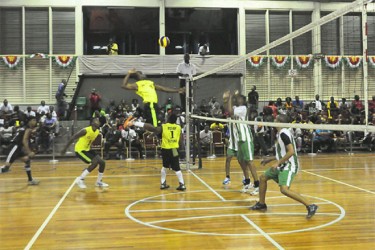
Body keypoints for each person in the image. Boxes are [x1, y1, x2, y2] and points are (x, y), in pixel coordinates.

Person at [250, 114, 318, 219]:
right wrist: (271, 159)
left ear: (279, 122)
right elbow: (282, 152)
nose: (273, 120)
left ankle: (310, 205)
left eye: (275, 119)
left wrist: (278, 162)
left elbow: (291, 151)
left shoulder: (283, 134)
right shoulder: (281, 133)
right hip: (282, 164)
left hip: (289, 166)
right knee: (263, 178)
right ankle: (261, 203)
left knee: (284, 190)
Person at [126, 113, 186, 191]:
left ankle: (163, 183)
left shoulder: (164, 126)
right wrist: (182, 150)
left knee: (165, 167)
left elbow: (153, 128)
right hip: (174, 149)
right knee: (177, 168)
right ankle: (182, 184)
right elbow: (181, 140)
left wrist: (136, 123)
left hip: (166, 149)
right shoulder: (178, 127)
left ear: (168, 119)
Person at [223, 90, 259, 194]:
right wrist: (226, 99)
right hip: (239, 139)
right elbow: (227, 110)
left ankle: (257, 184)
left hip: (246, 137)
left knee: (250, 162)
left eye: (239, 98)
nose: (237, 98)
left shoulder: (243, 108)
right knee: (241, 161)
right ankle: (247, 182)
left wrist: (230, 97)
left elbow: (230, 112)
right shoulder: (236, 108)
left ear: (243, 101)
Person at [61, 118, 108, 188]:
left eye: (98, 120)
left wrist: (102, 143)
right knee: (94, 163)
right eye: (96, 120)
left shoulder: (97, 131)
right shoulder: (85, 130)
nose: (97, 121)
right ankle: (80, 179)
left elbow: (90, 141)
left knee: (102, 162)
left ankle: (99, 181)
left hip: (87, 149)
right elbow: (73, 137)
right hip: (80, 150)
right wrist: (65, 149)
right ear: (92, 123)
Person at [0, 116, 40, 185]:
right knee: (5, 168)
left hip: (18, 148)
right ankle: (30, 180)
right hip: (14, 147)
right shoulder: (28, 129)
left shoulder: (24, 128)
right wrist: (29, 152)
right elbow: (25, 141)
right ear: (29, 121)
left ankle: (30, 180)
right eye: (34, 120)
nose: (35, 122)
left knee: (27, 160)